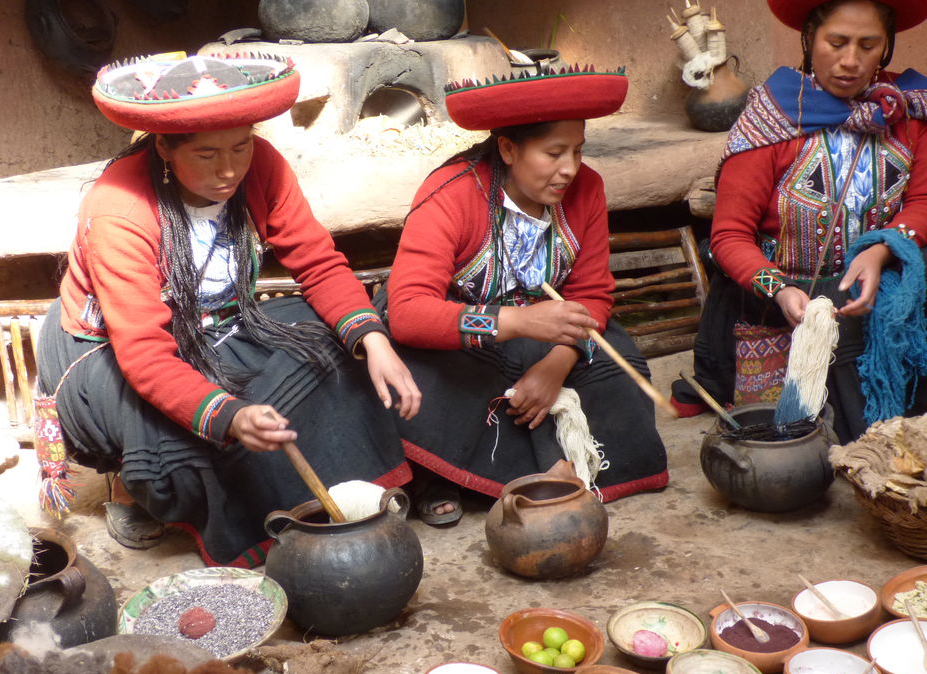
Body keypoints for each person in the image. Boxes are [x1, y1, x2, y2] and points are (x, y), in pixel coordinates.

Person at [36, 53, 421, 566]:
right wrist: (230, 415)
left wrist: (374, 341)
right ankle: (132, 486)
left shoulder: (262, 166)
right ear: (164, 147)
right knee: (175, 449)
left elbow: (318, 263)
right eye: (206, 154)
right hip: (108, 351)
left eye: (241, 146)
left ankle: (311, 487)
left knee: (333, 346)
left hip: (216, 324)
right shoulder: (120, 210)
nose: (229, 169)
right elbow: (146, 354)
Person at [382, 66, 670, 523]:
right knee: (423, 381)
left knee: (621, 370)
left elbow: (592, 294)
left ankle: (547, 468)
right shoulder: (452, 195)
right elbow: (410, 313)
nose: (569, 169)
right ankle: (452, 474)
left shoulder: (587, 188)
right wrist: (515, 323)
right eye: (554, 153)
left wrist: (558, 362)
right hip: (465, 341)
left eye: (577, 151)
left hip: (552, 336)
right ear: (509, 149)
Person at [670, 0, 927, 442]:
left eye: (868, 45)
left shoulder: (907, 110)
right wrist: (781, 290)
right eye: (836, 42)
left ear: (886, 49)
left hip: (883, 284)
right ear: (809, 39)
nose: (850, 60)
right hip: (788, 298)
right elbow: (730, 235)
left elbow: (922, 200)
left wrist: (881, 251)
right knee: (847, 428)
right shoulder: (773, 117)